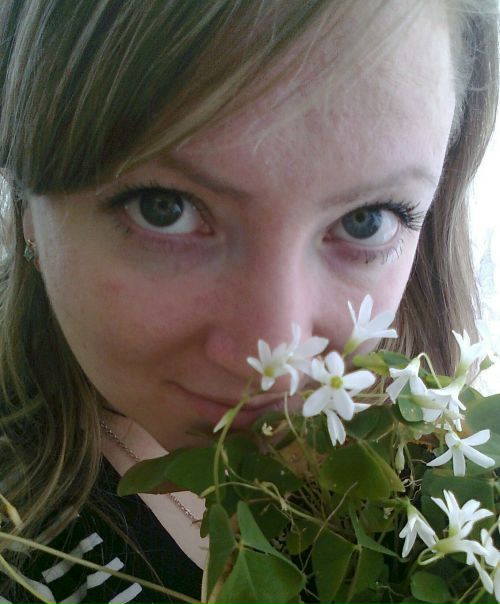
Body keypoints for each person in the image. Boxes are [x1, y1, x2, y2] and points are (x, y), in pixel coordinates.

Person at [0, 1, 498, 602]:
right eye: (164, 208)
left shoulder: (445, 461)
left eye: (366, 220)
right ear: (26, 205)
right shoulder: (26, 558)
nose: (275, 363)